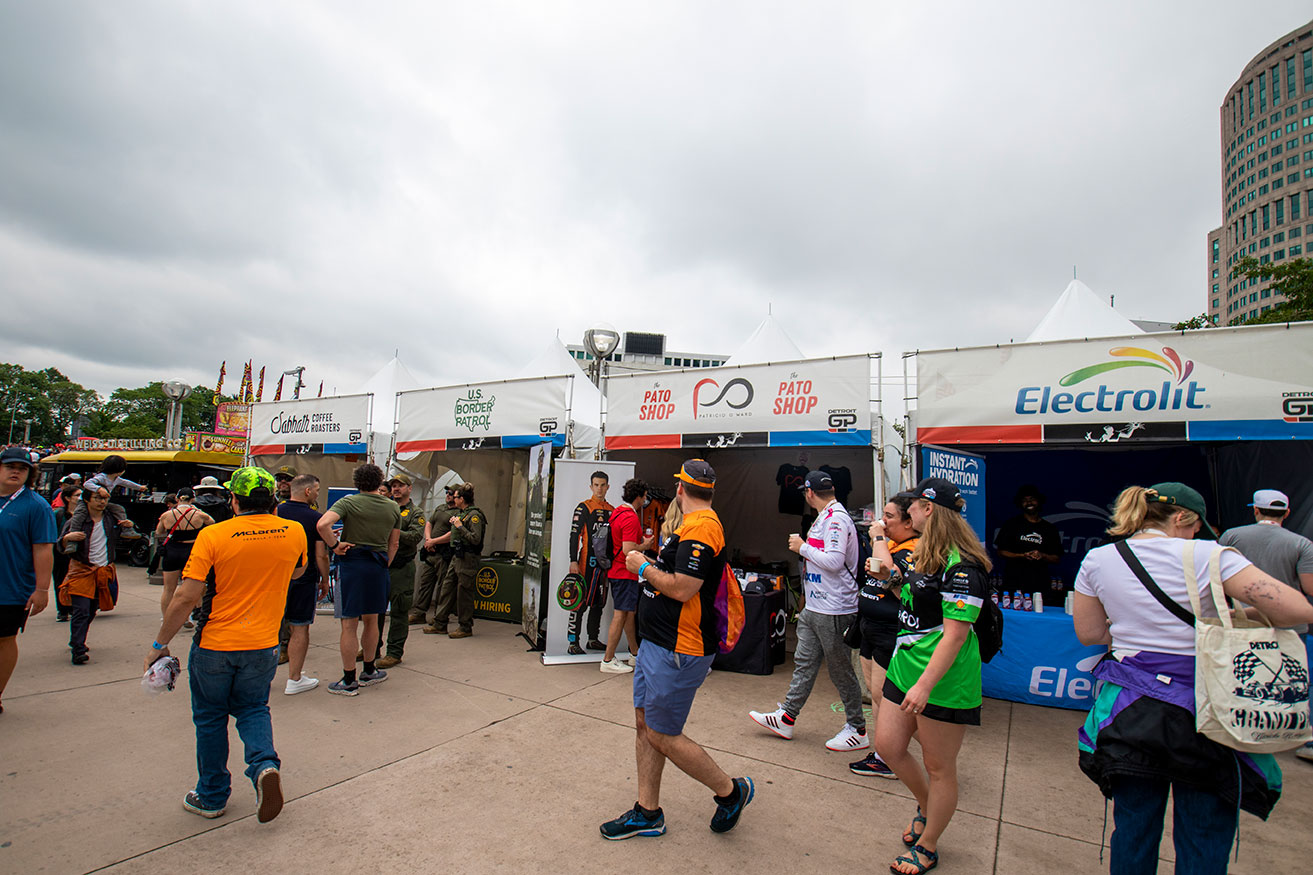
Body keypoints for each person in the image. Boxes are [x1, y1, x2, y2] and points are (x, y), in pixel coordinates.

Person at [1074, 483, 1313, 875]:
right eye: (1194, 525)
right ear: (1182, 517)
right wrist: (1233, 619)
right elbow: (1296, 610)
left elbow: (1091, 633)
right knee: (1203, 835)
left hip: (1130, 712)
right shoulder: (1210, 555)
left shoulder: (1099, 559)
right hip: (1208, 712)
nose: (1194, 535)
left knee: (1133, 829)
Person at [601, 459, 754, 840]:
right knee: (645, 725)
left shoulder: (702, 527)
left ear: (681, 490)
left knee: (662, 733)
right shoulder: (689, 526)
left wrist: (641, 567)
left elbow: (684, 587)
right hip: (658, 644)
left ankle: (731, 792)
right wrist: (652, 563)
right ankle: (647, 812)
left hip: (679, 648)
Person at [147, 466, 307, 822]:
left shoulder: (214, 535)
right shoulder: (293, 531)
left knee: (210, 718)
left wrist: (160, 643)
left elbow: (186, 596)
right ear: (273, 501)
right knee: (253, 708)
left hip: (216, 643)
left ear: (234, 500)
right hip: (264, 642)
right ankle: (264, 765)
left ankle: (212, 794)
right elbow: (297, 571)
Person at [875, 477, 991, 875]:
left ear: (930, 509)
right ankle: (926, 805)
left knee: (940, 767)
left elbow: (956, 635)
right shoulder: (926, 552)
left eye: (913, 506)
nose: (906, 512)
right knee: (888, 747)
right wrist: (890, 581)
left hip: (942, 680)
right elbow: (912, 602)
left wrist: (924, 686)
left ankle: (929, 843)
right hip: (904, 666)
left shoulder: (965, 566)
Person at [750, 470, 868, 753]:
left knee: (840, 671)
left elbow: (835, 561)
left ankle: (858, 728)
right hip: (817, 605)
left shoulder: (837, 519)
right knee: (804, 663)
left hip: (835, 608)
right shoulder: (825, 517)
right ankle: (787, 717)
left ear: (809, 493)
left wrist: (802, 548)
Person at [1219, 488, 1313, 763]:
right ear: (1286, 513)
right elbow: (1309, 587)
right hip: (1289, 626)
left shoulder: (1232, 536)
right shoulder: (1302, 544)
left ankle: (1233, 729)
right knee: (1294, 681)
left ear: (1256, 510)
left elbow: (1216, 577)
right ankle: (1298, 737)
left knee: (1237, 677)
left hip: (1241, 622)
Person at [849, 492, 920, 779]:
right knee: (876, 695)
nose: (883, 521)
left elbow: (892, 577)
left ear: (909, 521)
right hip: (871, 627)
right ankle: (884, 754)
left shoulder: (913, 549)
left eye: (890, 517)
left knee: (886, 697)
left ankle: (893, 754)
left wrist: (877, 539)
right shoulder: (892, 545)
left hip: (891, 631)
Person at [317, 463, 400, 696]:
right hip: (378, 565)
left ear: (357, 482)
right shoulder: (392, 507)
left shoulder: (348, 502)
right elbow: (394, 543)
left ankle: (348, 679)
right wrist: (385, 563)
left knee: (349, 623)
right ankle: (370, 670)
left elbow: (323, 524)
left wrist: (335, 546)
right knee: (373, 619)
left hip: (353, 565)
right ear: (379, 481)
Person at [0, 447, 57, 714]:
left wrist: (42, 589)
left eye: (22, 469)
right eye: (10, 466)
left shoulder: (36, 506)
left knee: (4, 639)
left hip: (10, 588)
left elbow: (43, 548)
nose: (15, 471)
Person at [276, 474, 331, 694]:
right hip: (303, 578)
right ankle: (294, 679)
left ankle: (261, 678)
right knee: (299, 627)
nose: (318, 493)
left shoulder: (275, 512)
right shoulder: (315, 518)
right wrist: (325, 579)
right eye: (317, 490)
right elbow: (321, 555)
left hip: (274, 578)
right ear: (308, 491)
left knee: (272, 628)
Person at [58, 484, 121, 665]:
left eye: (105, 498)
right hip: (82, 570)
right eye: (97, 498)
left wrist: (127, 526)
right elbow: (59, 544)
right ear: (87, 500)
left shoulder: (111, 519)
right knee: (81, 610)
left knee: (92, 609)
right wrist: (66, 540)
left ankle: (76, 639)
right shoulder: (75, 522)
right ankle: (78, 649)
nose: (102, 502)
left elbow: (122, 537)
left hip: (102, 571)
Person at [600, 478, 653, 673]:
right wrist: (645, 546)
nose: (646, 500)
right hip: (624, 572)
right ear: (638, 497)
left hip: (618, 571)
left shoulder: (617, 512)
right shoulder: (630, 517)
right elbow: (628, 550)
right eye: (645, 497)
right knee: (621, 614)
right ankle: (607, 659)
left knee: (629, 613)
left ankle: (635, 653)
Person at [376, 473, 425, 668]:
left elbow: (415, 536)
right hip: (381, 566)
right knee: (375, 611)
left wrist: (394, 531)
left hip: (401, 568)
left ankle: (394, 652)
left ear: (409, 488)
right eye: (393, 485)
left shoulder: (415, 513)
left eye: (400, 485)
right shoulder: (383, 508)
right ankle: (372, 647)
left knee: (398, 611)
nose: (396, 489)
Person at [154, 487, 213, 632]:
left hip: (172, 551)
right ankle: (188, 616)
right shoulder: (198, 515)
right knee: (192, 587)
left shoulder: (167, 515)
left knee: (168, 588)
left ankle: (165, 619)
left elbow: (158, 532)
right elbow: (212, 524)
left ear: (177, 499)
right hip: (191, 551)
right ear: (193, 499)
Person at [567, 471, 614, 655]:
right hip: (586, 563)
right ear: (591, 487)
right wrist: (573, 561)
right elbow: (573, 536)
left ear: (608, 486)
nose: (599, 488)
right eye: (596, 485)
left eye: (603, 485)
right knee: (579, 602)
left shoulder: (612, 509)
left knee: (598, 603)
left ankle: (592, 639)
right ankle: (573, 642)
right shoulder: (584, 507)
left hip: (604, 566)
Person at [434, 482, 486, 639]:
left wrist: (460, 526)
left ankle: (465, 626)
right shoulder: (462, 514)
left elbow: (475, 539)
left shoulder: (474, 516)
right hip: (457, 557)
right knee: (447, 588)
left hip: (468, 558)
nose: (452, 498)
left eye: (455, 496)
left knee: (464, 592)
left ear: (462, 499)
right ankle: (440, 622)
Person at [993, 484, 1063, 596]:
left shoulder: (1049, 529)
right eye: (1025, 500)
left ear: (1039, 501)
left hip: (1040, 583)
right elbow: (1001, 552)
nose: (1029, 503)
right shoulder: (1011, 524)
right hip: (1014, 582)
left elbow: (1056, 558)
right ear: (1020, 504)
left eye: (1032, 499)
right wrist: (1022, 556)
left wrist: (1042, 555)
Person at [415, 484, 457, 628]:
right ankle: (419, 612)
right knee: (425, 582)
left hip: (444, 553)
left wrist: (434, 541)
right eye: (447, 492)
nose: (448, 495)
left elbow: (453, 533)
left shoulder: (459, 512)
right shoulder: (441, 508)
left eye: (451, 493)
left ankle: (439, 616)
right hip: (430, 551)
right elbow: (429, 523)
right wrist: (428, 540)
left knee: (443, 586)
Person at [82, 454, 146, 535]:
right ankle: (74, 531)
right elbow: (87, 484)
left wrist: (139, 487)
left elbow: (127, 483)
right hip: (86, 502)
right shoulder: (101, 477)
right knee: (80, 514)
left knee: (119, 509)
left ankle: (126, 529)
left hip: (103, 502)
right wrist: (99, 489)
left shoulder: (116, 479)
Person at [51, 484, 79, 622]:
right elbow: (51, 533)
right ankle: (62, 610)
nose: (80, 498)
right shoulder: (58, 514)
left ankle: (74, 608)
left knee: (76, 581)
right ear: (68, 498)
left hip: (78, 553)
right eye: (77, 495)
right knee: (60, 580)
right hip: (60, 553)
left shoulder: (83, 514)